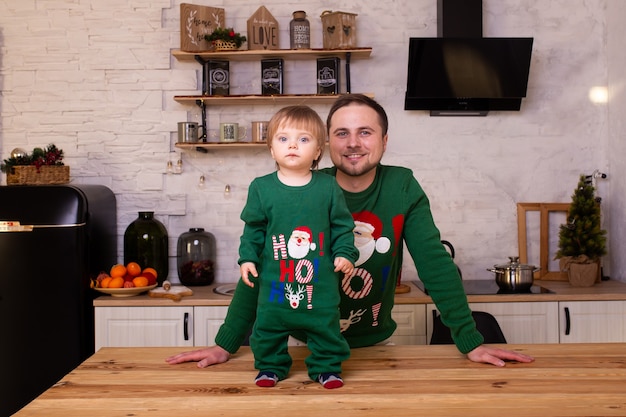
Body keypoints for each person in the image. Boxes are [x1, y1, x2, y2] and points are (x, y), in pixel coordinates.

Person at [166, 94, 534, 369]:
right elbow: (266, 266)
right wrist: (225, 344)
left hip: (377, 345)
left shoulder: (402, 186)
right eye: (342, 133)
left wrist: (470, 340)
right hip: (303, 345)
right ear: (326, 143)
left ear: (384, 141)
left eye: (365, 132)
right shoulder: (301, 189)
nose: (353, 142)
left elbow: (434, 263)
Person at [237, 105, 358, 389]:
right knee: (267, 329)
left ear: (318, 151)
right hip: (274, 286)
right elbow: (253, 229)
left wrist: (344, 253)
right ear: (271, 149)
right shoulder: (261, 188)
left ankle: (327, 368)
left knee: (325, 328)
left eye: (303, 139)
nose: (292, 145)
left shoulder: (328, 187)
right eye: (283, 139)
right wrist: (247, 259)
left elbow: (342, 227)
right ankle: (270, 367)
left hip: (321, 284)